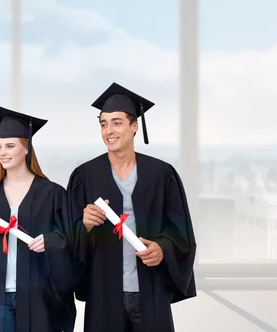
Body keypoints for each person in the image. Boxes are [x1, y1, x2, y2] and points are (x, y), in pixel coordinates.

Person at [67, 82, 197, 331]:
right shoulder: (85, 176)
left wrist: (163, 248)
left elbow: (182, 233)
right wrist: (82, 224)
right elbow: (65, 237)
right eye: (103, 123)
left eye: (116, 122)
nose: (108, 131)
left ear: (134, 126)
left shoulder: (161, 174)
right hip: (103, 293)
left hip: (150, 292)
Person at [0, 107, 76, 332]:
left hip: (39, 297)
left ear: (26, 148)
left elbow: (71, 240)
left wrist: (52, 241)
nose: (2, 152)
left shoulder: (53, 194)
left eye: (10, 146)